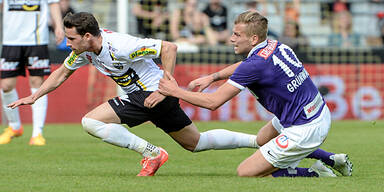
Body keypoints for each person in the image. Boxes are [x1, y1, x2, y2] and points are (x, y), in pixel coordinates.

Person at [8, 12, 260, 177]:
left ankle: (152, 152)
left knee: (90, 121)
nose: (67, 43)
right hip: (152, 97)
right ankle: (261, 142)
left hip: (152, 93)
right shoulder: (83, 51)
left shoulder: (120, 46)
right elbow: (62, 73)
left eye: (71, 38)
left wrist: (166, 86)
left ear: (87, 36)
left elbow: (169, 48)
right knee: (196, 143)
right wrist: (35, 96)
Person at [158, 10, 353, 177]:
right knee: (262, 139)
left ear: (253, 39)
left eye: (237, 35)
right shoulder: (275, 45)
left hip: (305, 127)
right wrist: (213, 77)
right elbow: (245, 66)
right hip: (314, 111)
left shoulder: (254, 65)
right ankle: (331, 159)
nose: (231, 39)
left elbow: (213, 102)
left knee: (246, 171)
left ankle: (315, 173)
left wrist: (176, 91)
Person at [0, 0, 65, 145]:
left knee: (37, 83)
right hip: (10, 40)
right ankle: (14, 126)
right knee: (6, 85)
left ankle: (37, 133)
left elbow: (53, 3)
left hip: (36, 39)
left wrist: (58, 26)